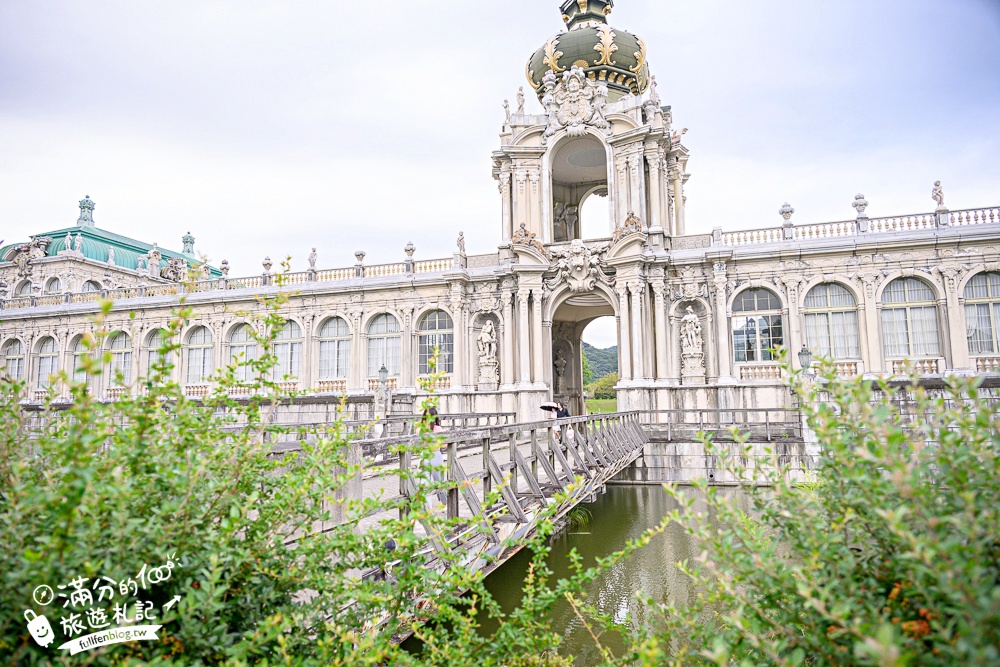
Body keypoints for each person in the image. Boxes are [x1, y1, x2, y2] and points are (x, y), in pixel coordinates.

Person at [421, 408, 447, 508]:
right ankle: (445, 502)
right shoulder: (438, 429)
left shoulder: (420, 429)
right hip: (436, 455)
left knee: (425, 483)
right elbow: (445, 445)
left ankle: (428, 508)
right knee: (439, 482)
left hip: (424, 456)